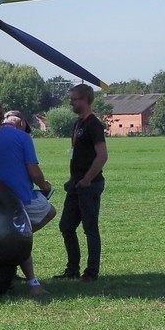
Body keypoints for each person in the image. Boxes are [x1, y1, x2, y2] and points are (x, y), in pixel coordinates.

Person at [0, 114, 55, 296]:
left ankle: (14, 248)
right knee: (50, 212)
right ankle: (31, 280)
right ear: (22, 124)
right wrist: (43, 185)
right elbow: (33, 170)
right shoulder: (23, 137)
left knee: (18, 234)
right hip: (21, 197)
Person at [56, 83, 108, 283]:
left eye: (74, 98)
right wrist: (73, 179)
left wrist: (87, 179)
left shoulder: (93, 124)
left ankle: (91, 272)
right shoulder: (78, 124)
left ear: (85, 100)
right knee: (66, 226)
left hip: (89, 185)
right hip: (76, 185)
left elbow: (102, 155)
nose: (71, 101)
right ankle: (72, 269)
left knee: (90, 228)